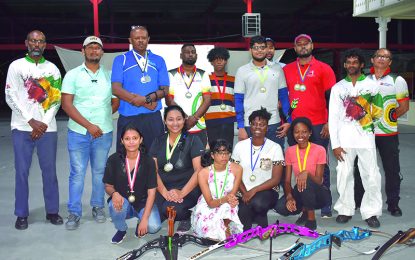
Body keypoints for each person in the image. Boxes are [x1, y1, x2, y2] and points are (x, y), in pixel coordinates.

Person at [5, 30, 63, 230]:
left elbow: (56, 100)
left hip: (48, 128)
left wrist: (43, 123)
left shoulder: (52, 69)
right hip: (22, 127)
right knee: (21, 172)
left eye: (40, 41)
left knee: (50, 172)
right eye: (33, 41)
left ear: (45, 45)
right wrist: (30, 121)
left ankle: (52, 211)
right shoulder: (16, 66)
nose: (36, 44)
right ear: (26, 43)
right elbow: (9, 96)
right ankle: (21, 214)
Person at [61, 36, 119, 230]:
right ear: (82, 51)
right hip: (78, 132)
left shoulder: (109, 75)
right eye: (90, 48)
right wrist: (88, 125)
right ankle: (74, 212)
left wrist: (102, 119)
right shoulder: (72, 74)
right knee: (77, 173)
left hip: (103, 133)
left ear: (102, 52)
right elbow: (66, 104)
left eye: (98, 48)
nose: (94, 51)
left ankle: (97, 206)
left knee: (99, 172)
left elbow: (115, 101)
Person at [283, 34, 336, 218]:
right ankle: (302, 200)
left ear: (312, 45)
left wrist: (330, 122)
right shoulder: (288, 69)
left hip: (319, 124)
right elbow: (283, 98)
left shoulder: (324, 68)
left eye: (306, 44)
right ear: (295, 48)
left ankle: (326, 202)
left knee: (322, 164)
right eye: (299, 44)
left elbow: (332, 98)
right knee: (296, 163)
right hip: (295, 126)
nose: (303, 47)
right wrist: (287, 121)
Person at [329, 48, 383, 228]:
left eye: (355, 62)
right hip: (344, 140)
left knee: (371, 176)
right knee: (344, 175)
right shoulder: (338, 88)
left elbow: (379, 111)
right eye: (348, 62)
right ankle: (345, 210)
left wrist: (366, 123)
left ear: (361, 65)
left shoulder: (372, 85)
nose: (351, 65)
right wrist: (335, 144)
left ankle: (371, 212)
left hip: (366, 139)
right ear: (345, 65)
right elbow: (333, 118)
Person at [353, 48, 409, 216]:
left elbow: (404, 107)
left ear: (390, 62)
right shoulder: (363, 79)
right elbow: (357, 106)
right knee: (361, 168)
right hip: (366, 134)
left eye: (386, 57)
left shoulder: (397, 80)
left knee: (392, 170)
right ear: (372, 59)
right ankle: (358, 201)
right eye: (379, 56)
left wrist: (387, 119)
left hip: (388, 134)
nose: (382, 59)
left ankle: (393, 204)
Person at [111, 25, 169, 151]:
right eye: (137, 38)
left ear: (148, 39)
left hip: (153, 117)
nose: (140, 40)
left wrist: (144, 99)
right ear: (130, 40)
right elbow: (116, 89)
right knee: (126, 158)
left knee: (155, 157)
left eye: (143, 37)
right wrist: (142, 101)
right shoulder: (121, 59)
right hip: (128, 118)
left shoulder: (158, 60)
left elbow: (165, 90)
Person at [149, 105, 204, 232]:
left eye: (179, 119)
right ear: (165, 121)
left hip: (187, 188)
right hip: (163, 188)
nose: (175, 123)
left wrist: (182, 192)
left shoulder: (193, 140)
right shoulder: (158, 141)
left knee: (170, 210)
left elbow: (199, 170)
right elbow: (154, 171)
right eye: (171, 119)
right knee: (150, 226)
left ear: (184, 120)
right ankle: (167, 208)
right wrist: (164, 193)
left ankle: (188, 216)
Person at [103, 125, 161, 244]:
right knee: (114, 206)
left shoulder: (148, 161)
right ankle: (121, 229)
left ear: (141, 140)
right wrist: (114, 194)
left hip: (143, 202)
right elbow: (108, 185)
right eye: (127, 139)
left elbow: (152, 192)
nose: (131, 142)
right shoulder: (113, 160)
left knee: (154, 227)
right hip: (123, 201)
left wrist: (145, 219)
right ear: (122, 141)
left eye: (135, 138)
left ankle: (140, 219)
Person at [232, 108, 284, 231]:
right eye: (254, 124)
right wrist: (245, 192)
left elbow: (276, 179)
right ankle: (255, 217)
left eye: (262, 125)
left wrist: (253, 191)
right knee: (243, 222)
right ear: (250, 125)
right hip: (243, 190)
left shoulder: (275, 148)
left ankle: (259, 214)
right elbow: (234, 174)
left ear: (267, 127)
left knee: (258, 203)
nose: (257, 127)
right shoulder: (240, 146)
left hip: (267, 191)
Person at [234, 36, 290, 149]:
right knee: (251, 158)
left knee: (276, 158)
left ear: (267, 49)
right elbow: (238, 100)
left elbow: (284, 97)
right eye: (256, 48)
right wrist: (240, 126)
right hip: (250, 123)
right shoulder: (242, 71)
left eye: (262, 47)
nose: (259, 50)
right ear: (250, 50)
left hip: (273, 122)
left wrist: (289, 120)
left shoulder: (277, 69)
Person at [275, 117, 331, 230]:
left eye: (304, 132)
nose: (300, 135)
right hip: (300, 189)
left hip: (319, 192)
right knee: (281, 207)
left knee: (306, 182)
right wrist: (290, 197)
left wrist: (307, 174)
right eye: (297, 132)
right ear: (293, 133)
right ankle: (305, 210)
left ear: (310, 133)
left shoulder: (320, 150)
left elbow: (319, 181)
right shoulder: (290, 151)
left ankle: (311, 220)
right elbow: (286, 181)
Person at [191, 139, 243, 240]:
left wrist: (230, 200)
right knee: (208, 229)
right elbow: (210, 203)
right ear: (212, 155)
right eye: (219, 153)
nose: (224, 156)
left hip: (228, 202)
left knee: (228, 208)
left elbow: (232, 195)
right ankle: (220, 231)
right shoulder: (203, 173)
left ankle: (225, 227)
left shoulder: (237, 169)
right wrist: (225, 199)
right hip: (208, 203)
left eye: (227, 153)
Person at [166, 44, 211, 147]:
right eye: (187, 52)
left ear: (196, 55)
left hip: (198, 125)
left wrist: (194, 118)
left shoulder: (203, 74)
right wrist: (184, 118)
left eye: (193, 52)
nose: (190, 54)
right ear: (181, 55)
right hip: (177, 125)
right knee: (177, 160)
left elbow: (207, 100)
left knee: (200, 161)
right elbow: (169, 100)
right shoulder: (171, 74)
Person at [205, 47, 236, 147]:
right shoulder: (206, 79)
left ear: (226, 61)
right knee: (213, 151)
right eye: (216, 59)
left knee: (228, 149)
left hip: (229, 120)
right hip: (210, 120)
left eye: (221, 59)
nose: (219, 62)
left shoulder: (234, 79)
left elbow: (236, 101)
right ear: (211, 62)